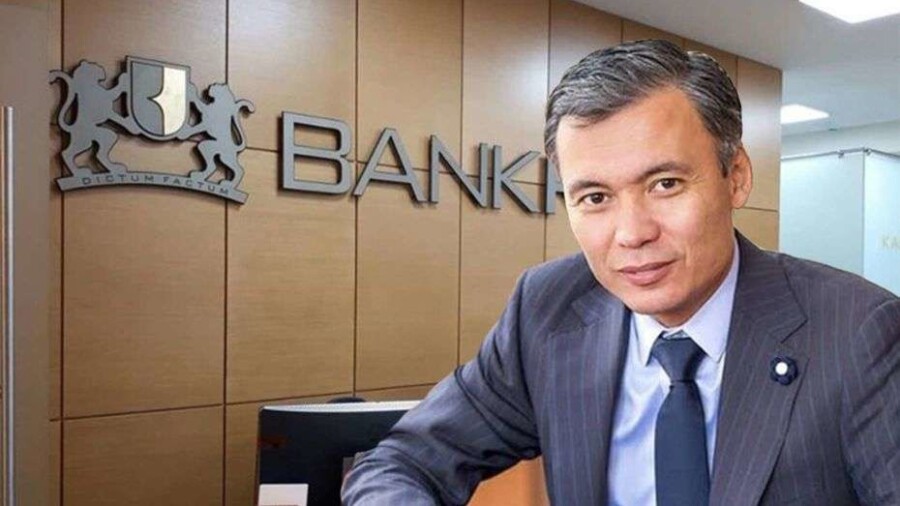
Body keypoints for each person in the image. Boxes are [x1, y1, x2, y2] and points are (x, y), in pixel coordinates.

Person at [341, 40, 900, 505]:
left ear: (736, 177)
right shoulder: (548, 309)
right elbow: (402, 462)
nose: (632, 233)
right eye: (595, 197)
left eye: (665, 184)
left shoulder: (858, 330)